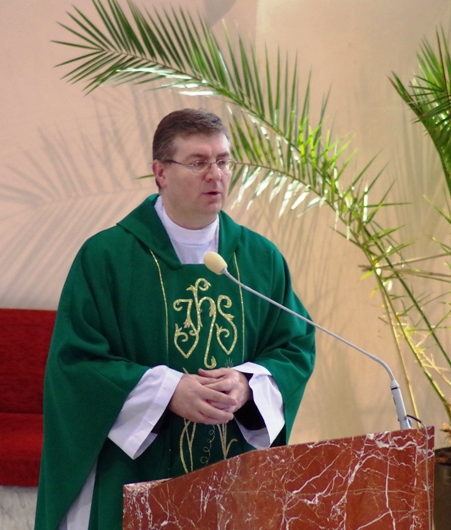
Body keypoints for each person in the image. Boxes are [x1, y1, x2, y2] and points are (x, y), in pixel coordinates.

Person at [34, 108, 316, 530]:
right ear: (160, 173)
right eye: (198, 162)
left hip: (232, 475)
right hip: (134, 471)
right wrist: (167, 392)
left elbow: (294, 347)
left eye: (223, 161)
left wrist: (247, 384)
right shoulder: (107, 257)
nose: (215, 175)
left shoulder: (260, 258)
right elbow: (76, 365)